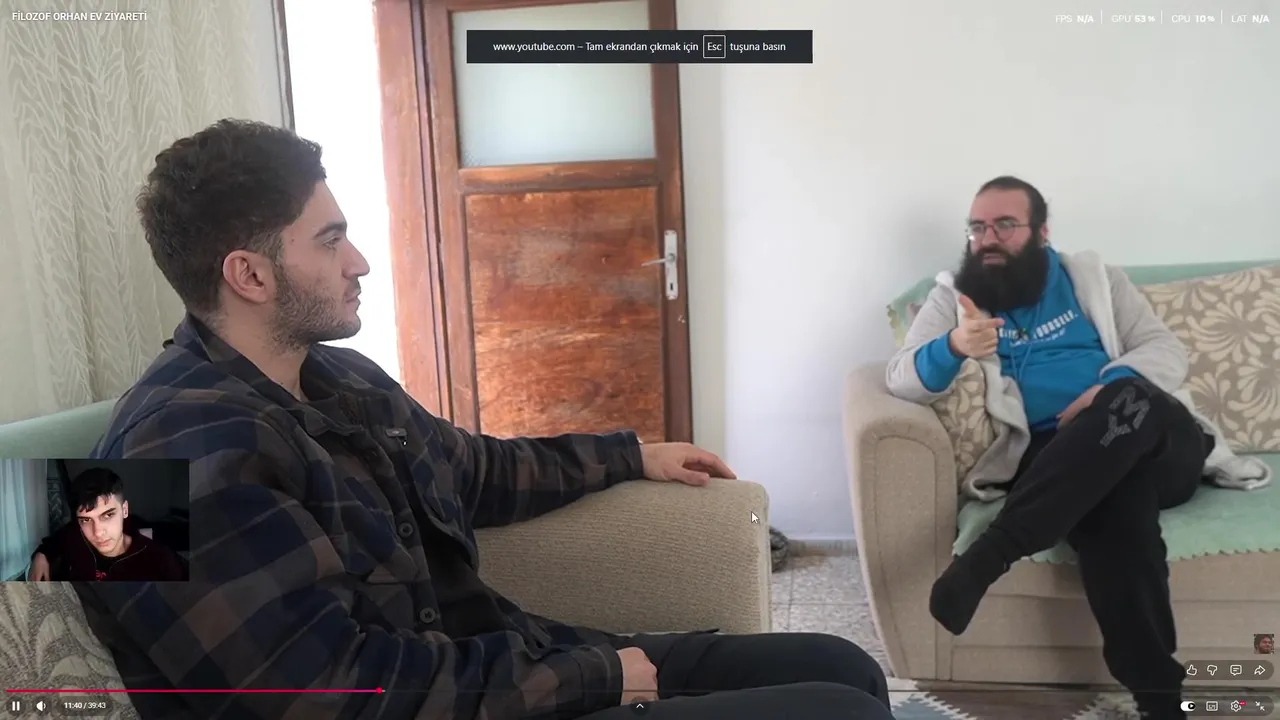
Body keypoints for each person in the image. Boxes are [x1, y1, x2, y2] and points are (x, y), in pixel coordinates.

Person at [73, 119, 894, 720]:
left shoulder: (334, 378)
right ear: (249, 275)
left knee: (843, 666)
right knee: (841, 712)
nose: (360, 262)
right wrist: (600, 676)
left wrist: (629, 455)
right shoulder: (168, 457)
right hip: (463, 703)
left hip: (501, 672)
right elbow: (328, 695)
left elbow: (471, 469)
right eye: (330, 241)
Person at [885, 176, 1270, 720]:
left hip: (1159, 441)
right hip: (1062, 459)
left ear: (1041, 232)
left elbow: (1164, 350)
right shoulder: (955, 297)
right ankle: (1161, 700)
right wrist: (953, 344)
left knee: (1131, 398)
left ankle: (991, 553)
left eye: (1005, 225)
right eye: (977, 227)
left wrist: (1105, 390)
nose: (988, 238)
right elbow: (901, 379)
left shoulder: (1093, 279)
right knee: (1117, 507)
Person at [27, 467, 185, 582]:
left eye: (108, 515)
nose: (98, 533)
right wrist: (41, 554)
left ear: (125, 510)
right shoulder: (75, 533)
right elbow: (56, 540)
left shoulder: (161, 561)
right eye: (86, 520)